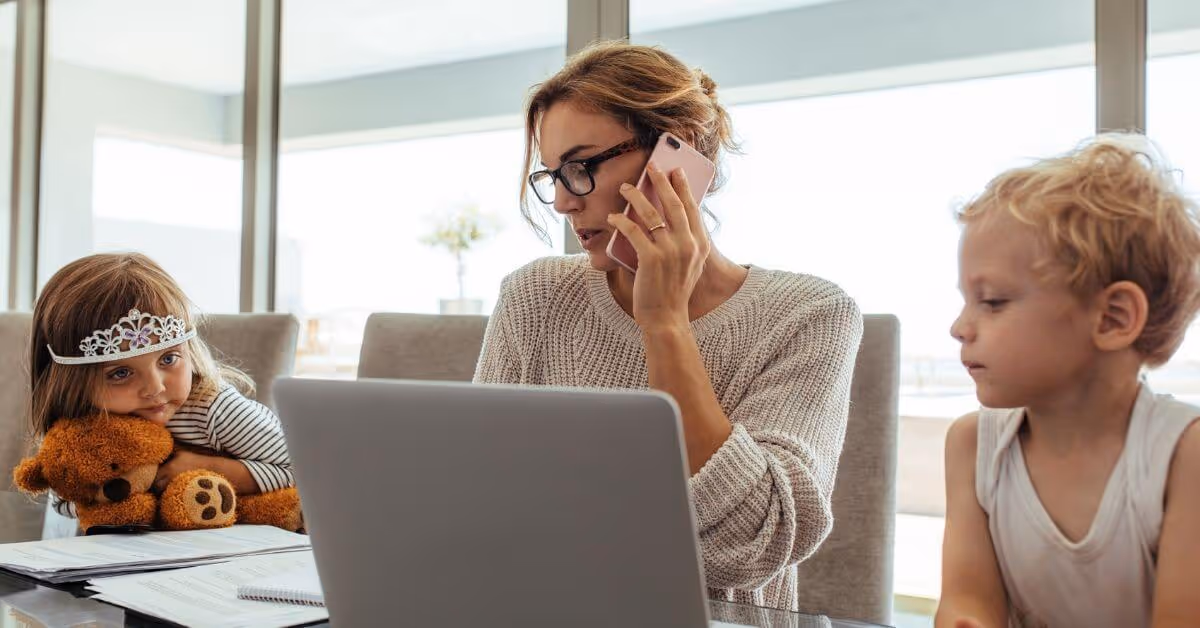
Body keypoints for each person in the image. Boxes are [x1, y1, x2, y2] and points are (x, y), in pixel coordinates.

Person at [474, 41, 863, 611]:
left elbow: (749, 547)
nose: (561, 201)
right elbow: (480, 499)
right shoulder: (536, 296)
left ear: (677, 152)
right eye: (552, 175)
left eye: (580, 168)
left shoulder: (809, 315)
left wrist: (664, 323)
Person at [938, 135, 1200, 627]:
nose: (960, 327)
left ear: (1113, 318)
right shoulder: (973, 444)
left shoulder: (1184, 457)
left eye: (992, 301)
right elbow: (967, 599)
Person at [28, 253, 296, 514]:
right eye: (120, 373)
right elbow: (63, 501)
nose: (155, 388)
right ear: (71, 383)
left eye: (168, 358)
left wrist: (209, 469)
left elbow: (305, 471)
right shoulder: (85, 427)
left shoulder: (215, 410)